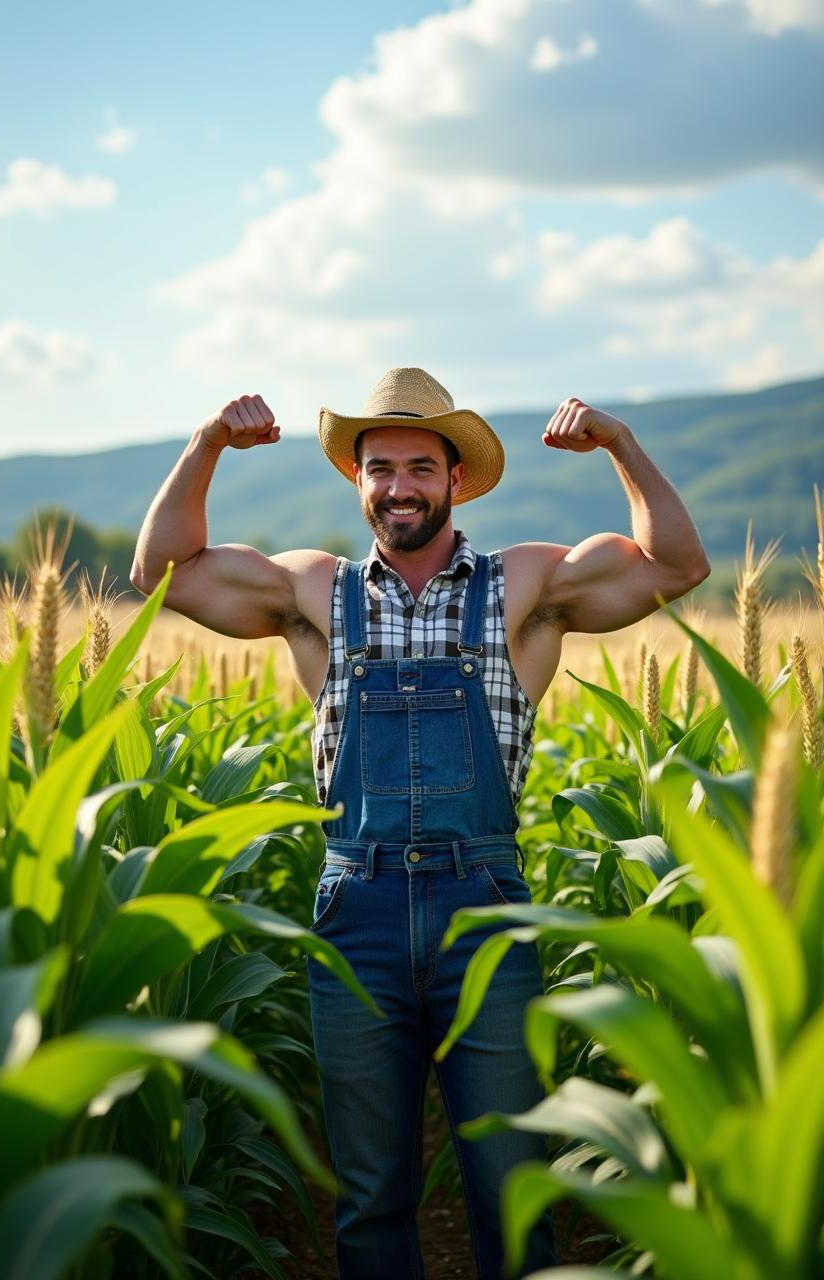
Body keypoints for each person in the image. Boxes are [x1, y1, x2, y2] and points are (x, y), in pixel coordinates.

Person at [131, 366, 710, 1279]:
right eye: (380, 468)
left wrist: (622, 447)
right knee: (369, 1195)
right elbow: (161, 573)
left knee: (511, 1179)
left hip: (484, 906)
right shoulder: (312, 593)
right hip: (354, 907)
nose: (399, 486)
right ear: (359, 482)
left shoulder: (526, 585)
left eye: (419, 468)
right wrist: (206, 443)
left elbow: (677, 566)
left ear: (455, 480)